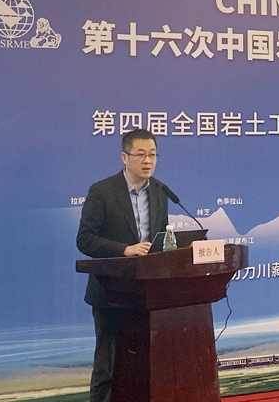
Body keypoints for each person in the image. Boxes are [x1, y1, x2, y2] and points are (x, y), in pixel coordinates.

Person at [76, 128, 170, 402]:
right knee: (108, 365)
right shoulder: (102, 191)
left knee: (142, 364)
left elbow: (159, 239)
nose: (148, 160)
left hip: (147, 294)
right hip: (111, 293)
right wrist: (124, 250)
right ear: (124, 157)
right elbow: (85, 239)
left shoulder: (160, 192)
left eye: (152, 154)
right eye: (141, 154)